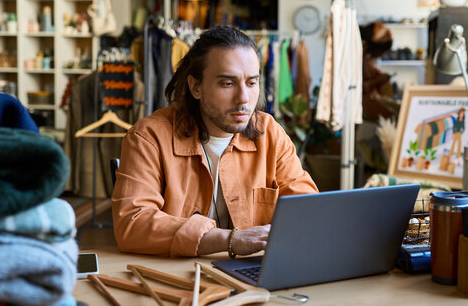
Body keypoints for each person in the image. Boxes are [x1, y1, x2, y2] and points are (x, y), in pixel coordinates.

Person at [112, 26, 318, 258]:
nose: (243, 99)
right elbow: (132, 223)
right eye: (227, 84)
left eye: (251, 83)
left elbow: (306, 208)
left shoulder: (269, 133)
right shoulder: (149, 137)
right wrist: (230, 240)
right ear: (196, 87)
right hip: (176, 275)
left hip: (250, 275)